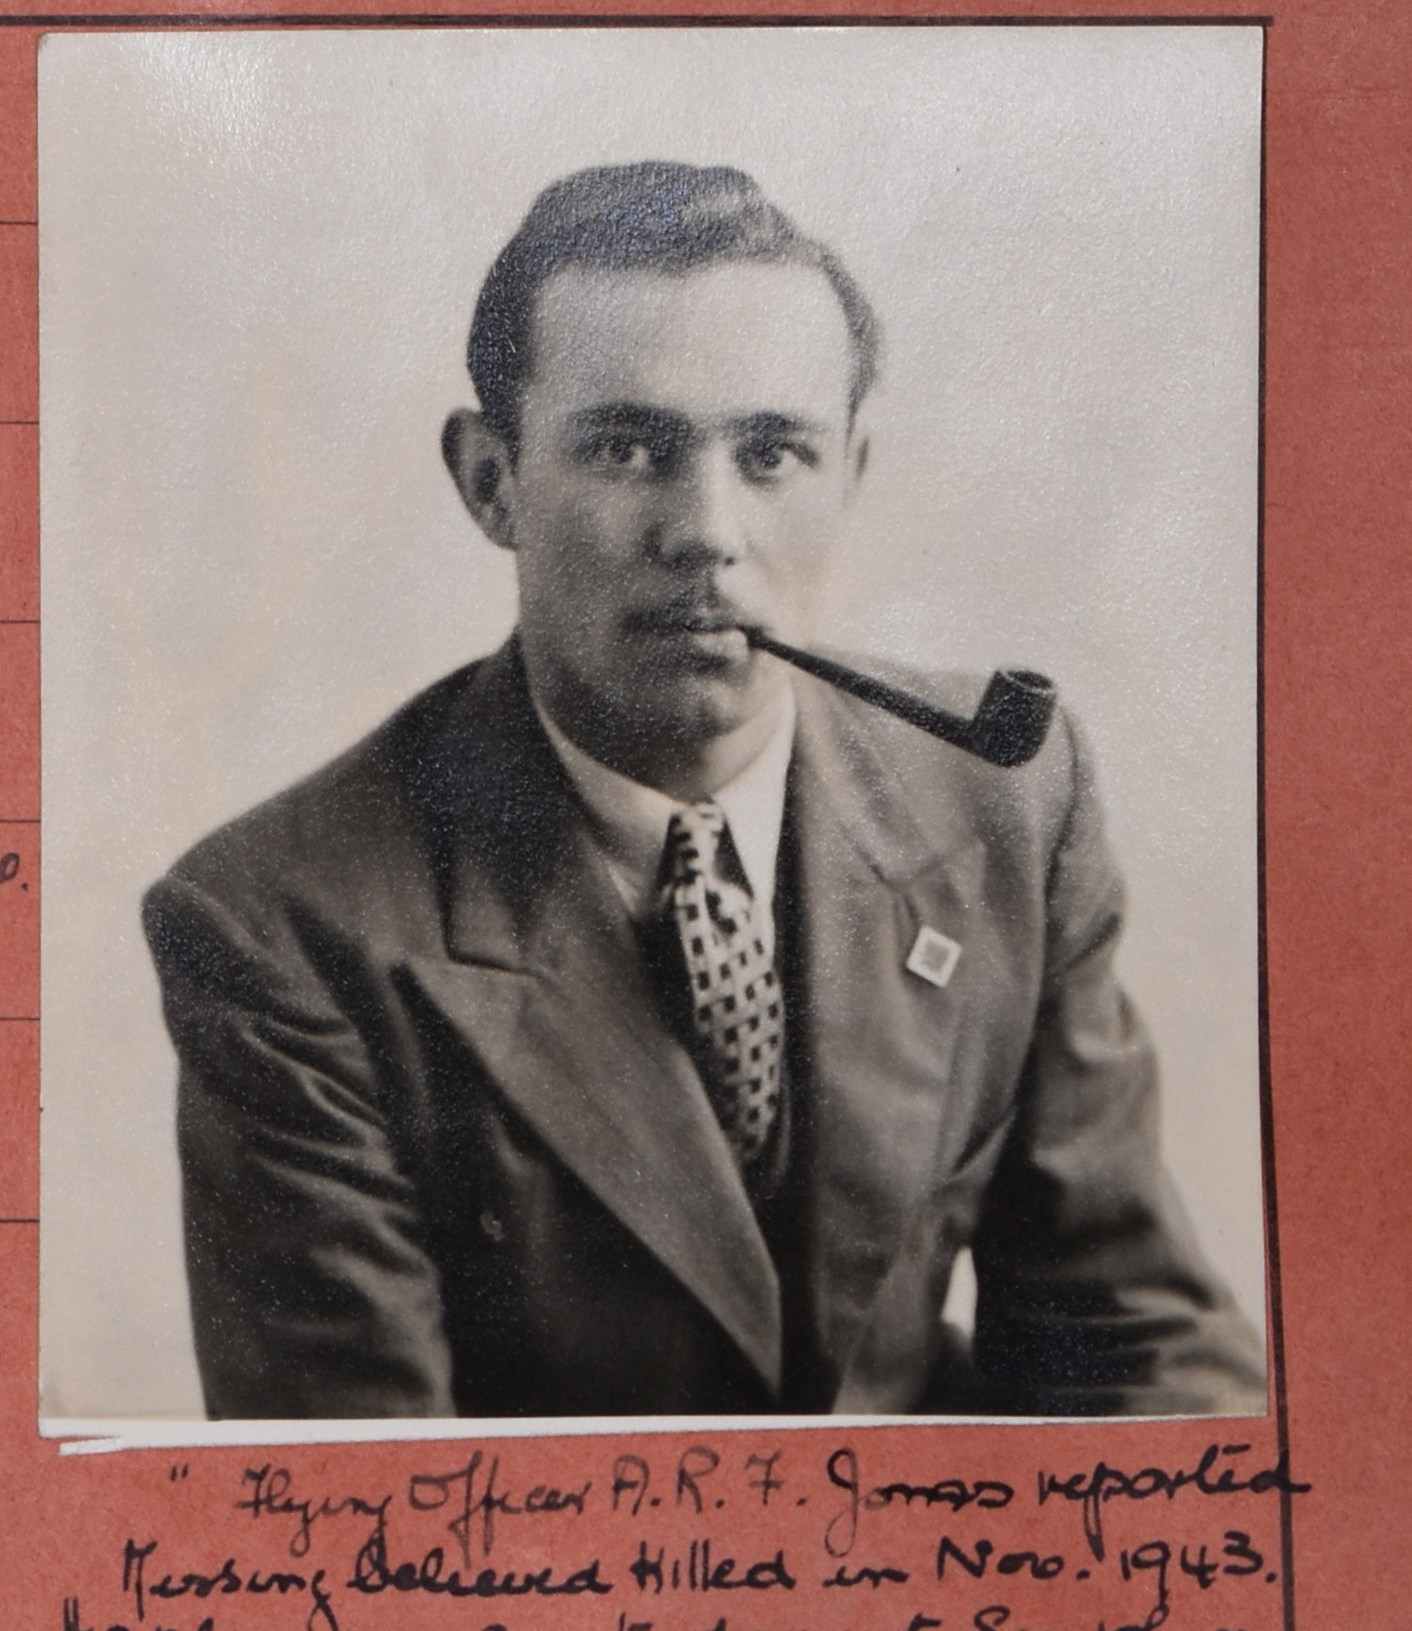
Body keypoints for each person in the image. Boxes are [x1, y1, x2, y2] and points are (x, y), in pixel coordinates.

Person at [142, 160, 1265, 1420]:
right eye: (628, 448)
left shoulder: (1003, 795)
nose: (708, 531)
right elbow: (366, 1518)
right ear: (491, 482)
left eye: (773, 454)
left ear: (852, 472)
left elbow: (1126, 1339)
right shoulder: (282, 922)